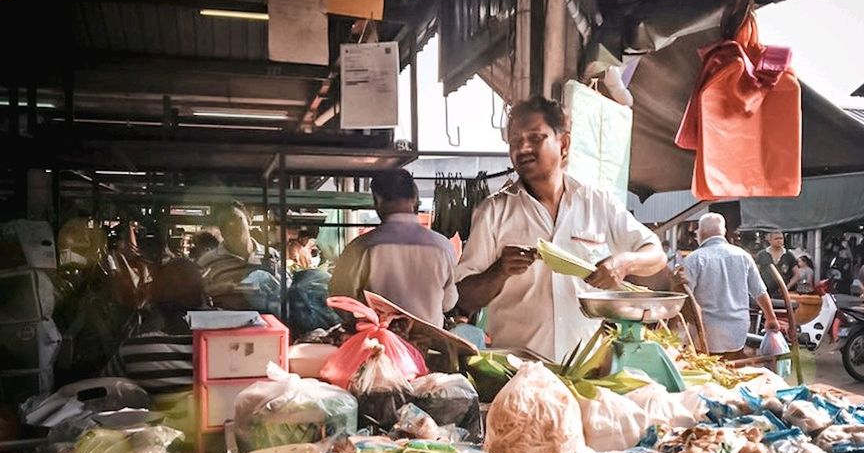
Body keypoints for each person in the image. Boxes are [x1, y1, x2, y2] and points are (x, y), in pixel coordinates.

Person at [455, 95, 665, 361]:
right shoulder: (493, 212)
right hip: (518, 371)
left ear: (563, 143)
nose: (523, 148)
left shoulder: (597, 203)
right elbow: (463, 299)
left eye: (535, 138)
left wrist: (623, 263)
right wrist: (499, 271)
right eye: (515, 142)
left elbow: (655, 254)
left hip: (586, 368)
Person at [329, 168, 457, 325]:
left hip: (377, 345)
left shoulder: (361, 247)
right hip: (426, 345)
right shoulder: (443, 246)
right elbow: (448, 303)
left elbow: (341, 302)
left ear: (377, 200)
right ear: (415, 198)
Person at [680, 213, 779, 356]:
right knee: (734, 370)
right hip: (737, 330)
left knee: (706, 370)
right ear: (724, 232)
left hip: (706, 331)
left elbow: (686, 297)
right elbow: (759, 291)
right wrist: (771, 317)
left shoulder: (694, 259)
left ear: (701, 232)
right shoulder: (743, 255)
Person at [105, 259, 205, 395]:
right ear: (203, 296)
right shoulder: (234, 343)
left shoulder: (134, 349)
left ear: (155, 301)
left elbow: (104, 387)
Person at [197, 202, 282, 315]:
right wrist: (222, 289)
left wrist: (273, 277)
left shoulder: (271, 255)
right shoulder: (207, 261)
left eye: (237, 219)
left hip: (268, 326)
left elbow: (285, 293)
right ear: (221, 229)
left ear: (249, 221)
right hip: (227, 326)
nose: (231, 225)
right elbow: (199, 299)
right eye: (224, 223)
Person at [755, 230, 798, 298]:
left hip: (784, 293)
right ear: (770, 240)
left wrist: (787, 287)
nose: (779, 240)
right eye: (776, 238)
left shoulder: (789, 255)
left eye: (781, 238)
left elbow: (797, 275)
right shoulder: (762, 255)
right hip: (765, 292)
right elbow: (755, 273)